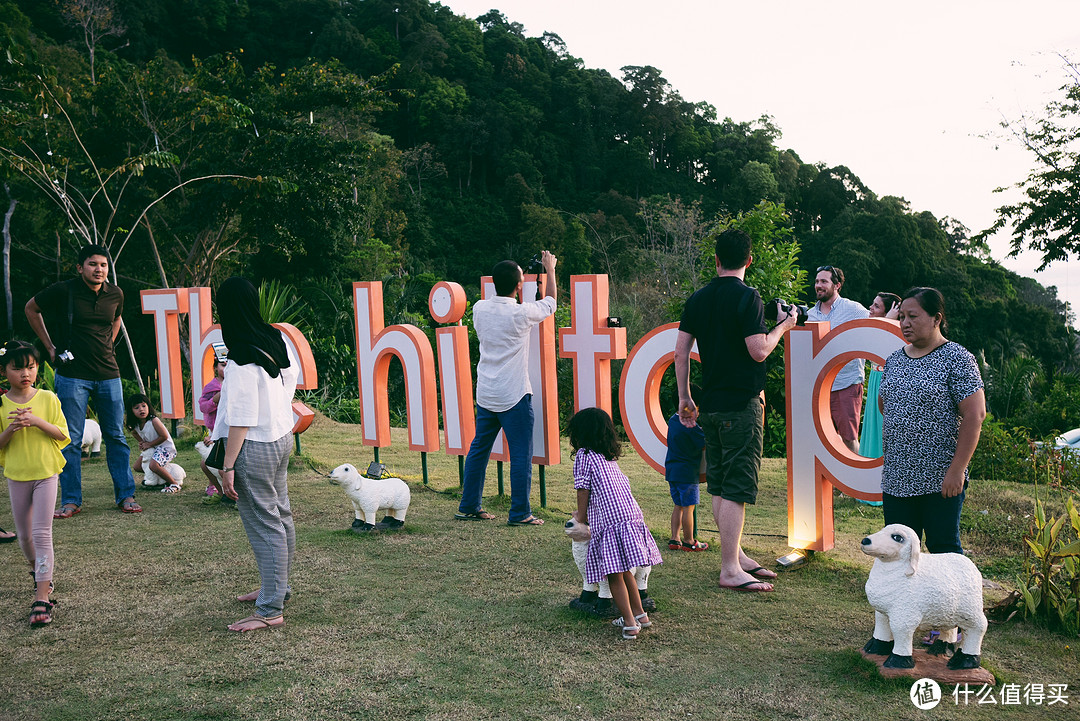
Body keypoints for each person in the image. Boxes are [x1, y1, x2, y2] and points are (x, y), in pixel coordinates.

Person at [675, 228, 798, 593]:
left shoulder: (698, 298)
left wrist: (685, 397)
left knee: (721, 482)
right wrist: (785, 326)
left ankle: (737, 555)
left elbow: (681, 351)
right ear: (749, 260)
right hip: (741, 404)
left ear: (716, 260)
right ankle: (729, 568)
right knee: (737, 487)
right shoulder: (749, 297)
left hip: (709, 404)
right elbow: (759, 350)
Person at [24, 244, 140, 516]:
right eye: (92, 264)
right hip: (72, 376)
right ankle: (71, 500)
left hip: (109, 374)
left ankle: (126, 496)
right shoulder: (64, 290)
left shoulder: (115, 293)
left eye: (103, 265)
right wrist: (50, 347)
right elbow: (31, 308)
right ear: (80, 267)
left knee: (117, 437)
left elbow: (116, 318)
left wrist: (108, 347)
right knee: (71, 439)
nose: (98, 269)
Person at [212, 277, 300, 633]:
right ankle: (277, 588)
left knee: (266, 525)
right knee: (281, 516)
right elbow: (291, 379)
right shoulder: (274, 337)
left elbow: (242, 418)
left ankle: (269, 609)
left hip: (256, 447)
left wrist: (228, 466)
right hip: (281, 436)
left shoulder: (239, 358)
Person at [879, 287, 986, 554]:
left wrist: (957, 470)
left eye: (913, 316)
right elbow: (884, 404)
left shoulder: (958, 359)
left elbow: (975, 415)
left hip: (939, 479)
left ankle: (956, 597)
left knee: (944, 548)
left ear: (937, 319)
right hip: (897, 477)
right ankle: (902, 597)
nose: (905, 323)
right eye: (902, 316)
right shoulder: (894, 360)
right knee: (898, 551)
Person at [455, 251, 557, 526]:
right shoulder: (521, 314)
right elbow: (550, 303)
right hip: (514, 394)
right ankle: (520, 512)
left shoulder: (479, 308)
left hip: (487, 392)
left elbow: (514, 306)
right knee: (521, 454)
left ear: (493, 283)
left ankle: (469, 505)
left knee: (479, 449)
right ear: (519, 286)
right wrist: (549, 269)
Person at [568, 407, 663, 640]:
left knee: (613, 575)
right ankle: (640, 615)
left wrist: (581, 517)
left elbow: (583, 489)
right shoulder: (608, 458)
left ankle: (630, 624)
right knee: (625, 570)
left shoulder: (585, 455)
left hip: (610, 523)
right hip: (630, 517)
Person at [0, 340, 70, 627]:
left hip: (45, 473)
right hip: (17, 474)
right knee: (24, 537)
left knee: (41, 534)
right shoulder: (1, 404)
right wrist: (11, 429)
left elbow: (61, 434)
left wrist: (36, 421)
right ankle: (39, 573)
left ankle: (42, 596)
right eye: (17, 369)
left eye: (30, 367)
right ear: (5, 371)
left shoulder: (48, 398)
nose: (25, 374)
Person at [806, 266, 870, 453]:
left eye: (824, 282)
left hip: (846, 384)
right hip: (819, 387)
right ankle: (829, 482)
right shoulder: (810, 315)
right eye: (817, 281)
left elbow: (875, 325)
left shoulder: (854, 309)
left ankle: (854, 481)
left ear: (837, 285)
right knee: (824, 438)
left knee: (848, 439)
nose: (818, 285)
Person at [857, 292, 901, 460]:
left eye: (876, 306)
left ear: (889, 312)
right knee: (873, 426)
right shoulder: (873, 326)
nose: (871, 307)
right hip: (876, 379)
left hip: (887, 381)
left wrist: (888, 321)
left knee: (883, 426)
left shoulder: (897, 332)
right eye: (872, 304)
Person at [664, 411, 707, 551]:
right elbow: (704, 442)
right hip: (687, 472)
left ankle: (674, 539)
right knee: (689, 506)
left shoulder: (672, 420)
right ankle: (689, 541)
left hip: (672, 470)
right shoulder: (690, 425)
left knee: (678, 505)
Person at [125, 393, 179, 493]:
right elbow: (134, 433)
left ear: (148, 407)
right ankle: (161, 479)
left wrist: (149, 444)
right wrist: (141, 442)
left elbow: (164, 436)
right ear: (131, 411)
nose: (141, 409)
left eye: (144, 406)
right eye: (136, 407)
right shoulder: (136, 424)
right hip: (153, 448)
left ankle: (174, 483)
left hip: (165, 448)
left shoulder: (154, 421)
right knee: (137, 467)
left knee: (153, 466)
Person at [198, 355, 228, 503]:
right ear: (215, 367)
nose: (226, 368)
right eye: (222, 365)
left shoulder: (238, 384)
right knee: (207, 463)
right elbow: (203, 406)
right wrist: (214, 400)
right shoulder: (211, 387)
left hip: (231, 431)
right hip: (215, 431)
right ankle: (220, 491)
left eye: (229, 364)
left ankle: (233, 494)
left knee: (221, 465)